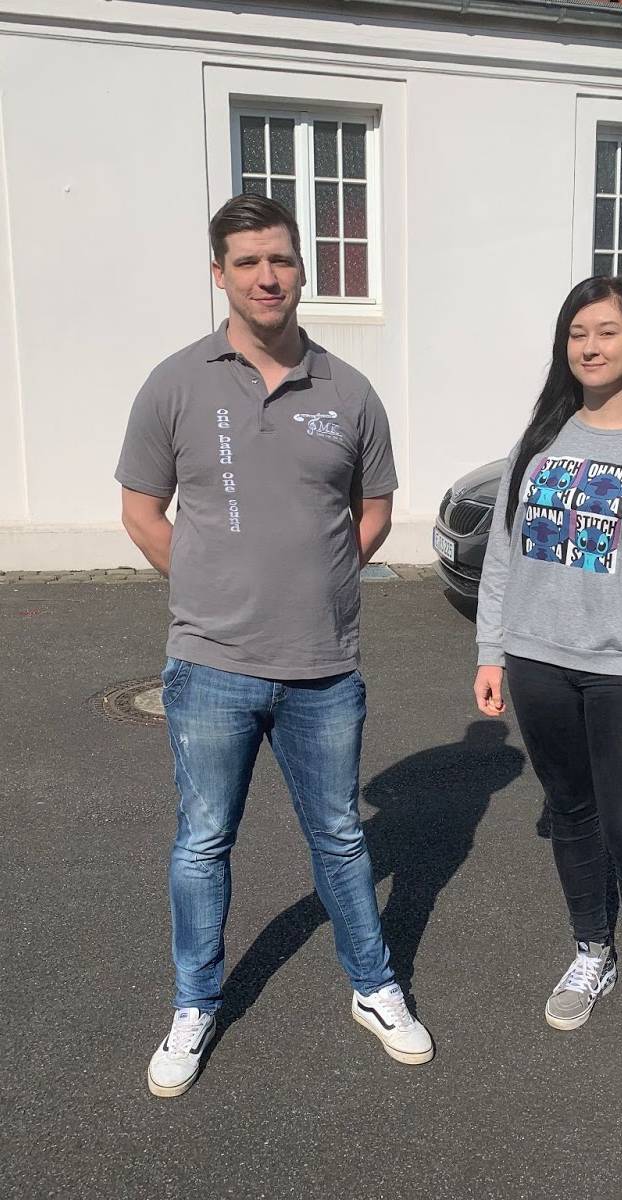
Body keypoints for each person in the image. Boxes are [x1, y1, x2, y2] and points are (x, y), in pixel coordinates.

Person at [117, 194, 432, 1099]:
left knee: (339, 836)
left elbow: (373, 511)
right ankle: (194, 1003)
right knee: (202, 842)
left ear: (302, 269)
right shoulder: (175, 382)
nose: (268, 277)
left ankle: (373, 987)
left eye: (282, 260)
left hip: (322, 670)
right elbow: (141, 510)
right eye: (248, 262)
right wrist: (209, 587)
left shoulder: (348, 390)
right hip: (209, 665)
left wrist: (319, 583)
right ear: (219, 273)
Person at [472, 275, 622, 1099]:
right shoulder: (542, 439)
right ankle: (591, 951)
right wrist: (492, 649)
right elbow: (504, 551)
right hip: (539, 662)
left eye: (607, 331)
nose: (590, 346)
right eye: (578, 332)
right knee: (571, 813)